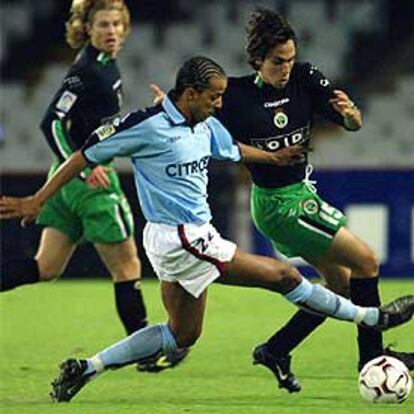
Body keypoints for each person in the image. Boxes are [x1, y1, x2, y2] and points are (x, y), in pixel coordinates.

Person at [1, 56, 413, 403]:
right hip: (183, 237)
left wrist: (276, 157)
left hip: (179, 239)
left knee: (181, 335)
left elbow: (233, 150)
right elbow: (83, 154)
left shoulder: (206, 124)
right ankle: (372, 316)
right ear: (190, 93)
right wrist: (39, 199)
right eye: (214, 96)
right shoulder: (143, 126)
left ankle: (87, 368)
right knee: (283, 275)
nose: (220, 104)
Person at [212, 8, 414, 392]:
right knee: (366, 260)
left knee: (338, 287)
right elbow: (217, 146)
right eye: (277, 62)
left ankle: (276, 348)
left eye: (290, 59)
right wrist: (268, 158)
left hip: (300, 193)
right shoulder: (235, 95)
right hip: (277, 203)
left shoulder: (304, 78)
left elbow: (349, 122)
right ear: (257, 60)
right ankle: (372, 357)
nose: (286, 68)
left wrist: (352, 117)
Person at [0, 0, 188, 372]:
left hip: (64, 180)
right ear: (87, 28)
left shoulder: (102, 64)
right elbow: (51, 124)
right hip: (89, 178)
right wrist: (86, 170)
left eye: (117, 24)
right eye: (103, 24)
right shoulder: (85, 70)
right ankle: (146, 353)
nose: (112, 31)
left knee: (45, 267)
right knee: (128, 267)